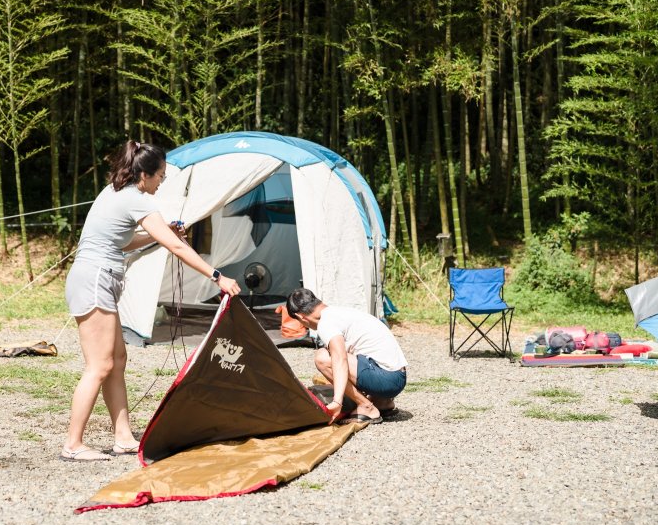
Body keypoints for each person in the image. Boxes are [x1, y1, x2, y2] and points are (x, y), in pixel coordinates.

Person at [60, 140, 241, 461]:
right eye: (161, 176)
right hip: (95, 281)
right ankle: (73, 444)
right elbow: (178, 248)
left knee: (116, 361)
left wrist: (164, 233)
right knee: (100, 365)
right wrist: (217, 277)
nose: (162, 182)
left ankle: (124, 437)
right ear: (144, 174)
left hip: (95, 278)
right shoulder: (136, 199)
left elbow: (125, 242)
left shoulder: (117, 192)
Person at [285, 287, 406, 424]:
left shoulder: (326, 323)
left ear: (301, 317)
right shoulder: (338, 312)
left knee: (323, 358)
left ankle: (366, 407)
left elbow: (340, 359)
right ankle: (383, 402)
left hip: (387, 380)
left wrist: (337, 401)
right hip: (396, 376)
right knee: (338, 352)